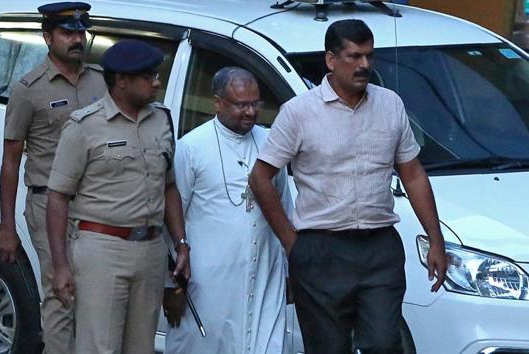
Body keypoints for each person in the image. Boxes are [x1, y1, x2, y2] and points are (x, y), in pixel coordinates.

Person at [249, 19, 447, 354]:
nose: (364, 65)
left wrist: (435, 239)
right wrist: (292, 243)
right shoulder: (299, 113)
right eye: (355, 57)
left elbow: (412, 173)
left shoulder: (390, 105)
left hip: (379, 246)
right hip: (320, 249)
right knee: (328, 347)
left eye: (370, 56)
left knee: (385, 344)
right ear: (331, 60)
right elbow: (260, 177)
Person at [46, 39, 191, 354]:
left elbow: (168, 186)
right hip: (102, 249)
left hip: (151, 250)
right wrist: (60, 266)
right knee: (100, 346)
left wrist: (180, 244)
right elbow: (57, 196)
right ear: (122, 82)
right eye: (148, 76)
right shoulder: (85, 126)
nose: (157, 82)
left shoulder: (162, 120)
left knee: (142, 347)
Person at [0, 2, 106, 353]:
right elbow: (11, 160)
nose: (77, 39)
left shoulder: (102, 82)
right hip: (48, 203)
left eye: (80, 32)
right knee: (60, 294)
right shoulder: (28, 89)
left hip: (95, 202)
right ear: (47, 37)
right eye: (67, 33)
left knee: (96, 296)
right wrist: (7, 227)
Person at [164, 66, 292, 354]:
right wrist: (169, 284)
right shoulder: (191, 147)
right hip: (207, 281)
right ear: (218, 102)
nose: (250, 112)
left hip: (264, 275)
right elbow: (172, 219)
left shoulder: (271, 142)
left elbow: (284, 208)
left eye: (255, 103)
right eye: (241, 105)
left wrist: (289, 270)